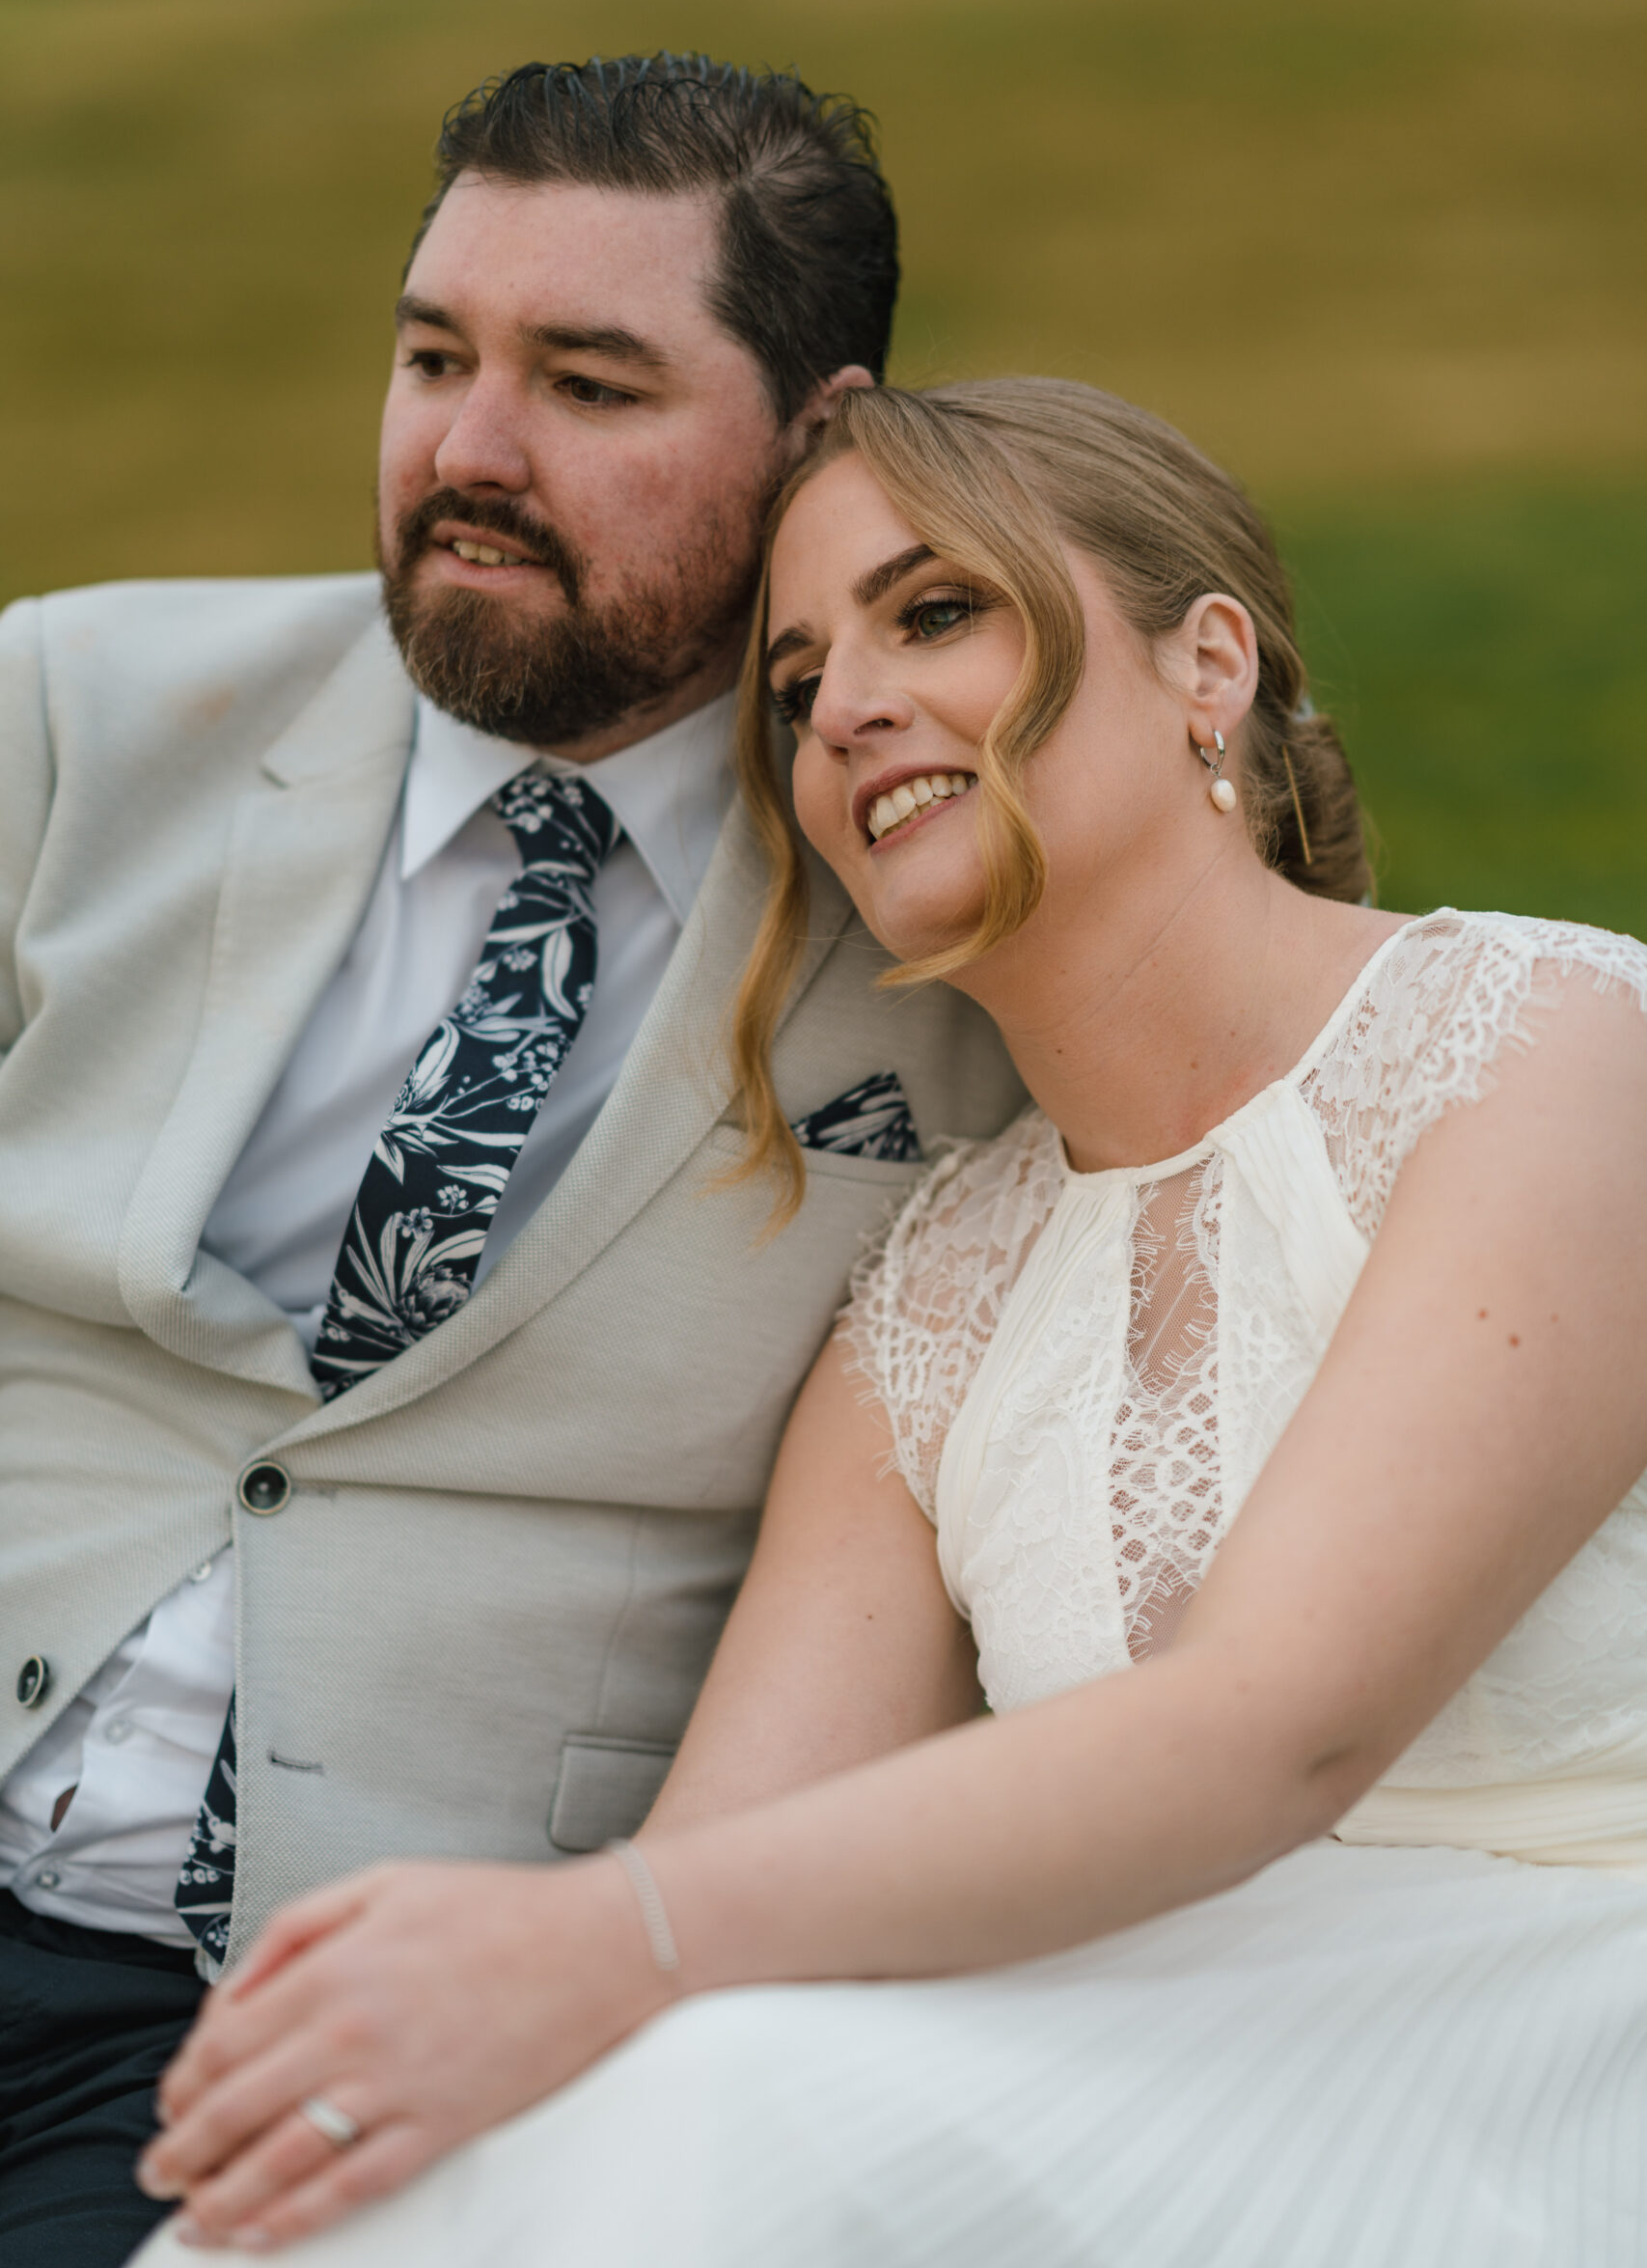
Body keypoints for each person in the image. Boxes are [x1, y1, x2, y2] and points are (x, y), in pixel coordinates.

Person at [133, 376, 1647, 2267]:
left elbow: (1278, 1728)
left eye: (932, 611)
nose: (841, 701)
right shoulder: (937, 1291)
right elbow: (710, 1879)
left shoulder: (1546, 1048)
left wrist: (595, 1941)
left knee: (715, 2104)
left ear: (1206, 665)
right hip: (1148, 2048)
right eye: (790, 681)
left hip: (1547, 2040)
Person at [0, 61, 1024, 2268]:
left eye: (586, 380)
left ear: (818, 437)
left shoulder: (951, 934)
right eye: (433, 353)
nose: (466, 448)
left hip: (308, 2013)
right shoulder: (73, 714)